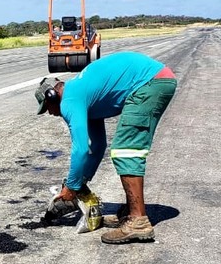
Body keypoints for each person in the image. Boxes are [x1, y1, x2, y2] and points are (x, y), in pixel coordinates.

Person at [34, 51, 176, 244]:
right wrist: (82, 181)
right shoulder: (85, 97)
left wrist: (72, 186)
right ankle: (130, 212)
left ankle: (138, 222)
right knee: (122, 148)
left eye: (47, 108)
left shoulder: (69, 101)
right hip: (155, 80)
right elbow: (97, 146)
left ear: (52, 96)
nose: (49, 113)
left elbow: (81, 149)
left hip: (149, 83)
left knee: (126, 150)